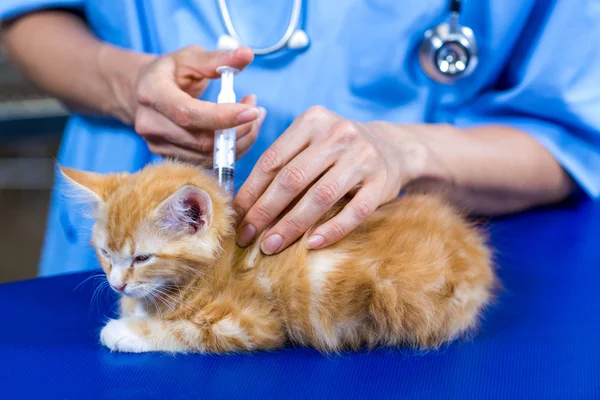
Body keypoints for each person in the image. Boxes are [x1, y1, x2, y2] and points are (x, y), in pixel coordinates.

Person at [1, 1, 598, 277]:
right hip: (128, 209)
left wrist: (408, 152)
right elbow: (28, 13)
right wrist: (125, 85)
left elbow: (571, 133)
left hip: (393, 263)